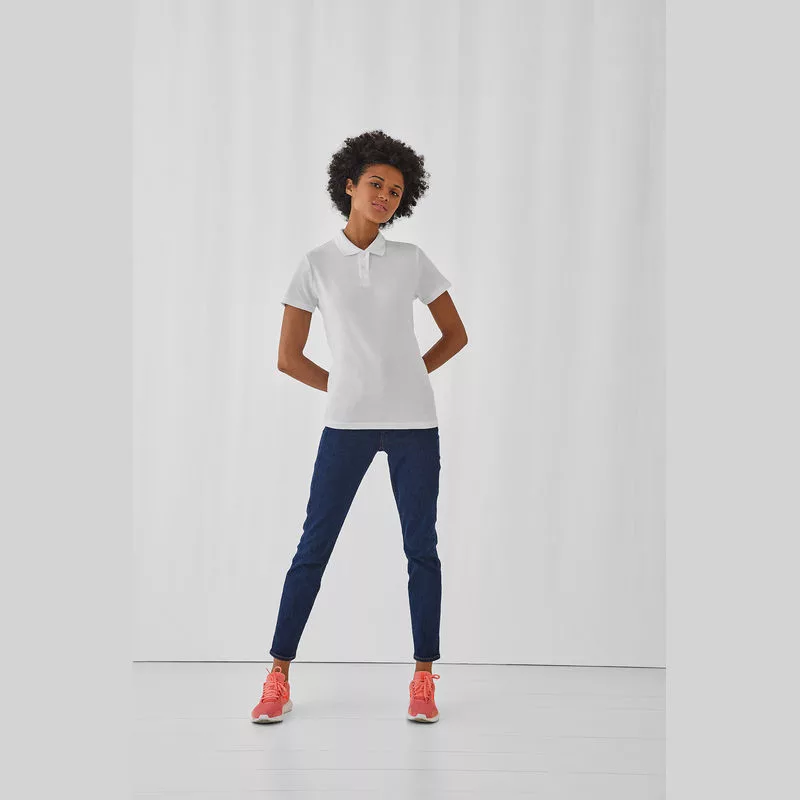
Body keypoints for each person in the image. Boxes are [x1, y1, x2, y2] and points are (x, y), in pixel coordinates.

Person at [251, 130, 468, 724]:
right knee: (313, 548)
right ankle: (277, 676)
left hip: (414, 425)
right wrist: (347, 385)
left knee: (421, 550)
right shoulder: (316, 264)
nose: (385, 197)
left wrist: (407, 376)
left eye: (396, 191)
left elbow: (456, 334)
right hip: (346, 424)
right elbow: (288, 358)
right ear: (348, 185)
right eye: (376, 184)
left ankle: (423, 677)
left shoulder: (412, 260)